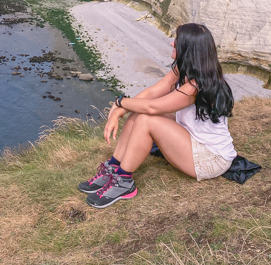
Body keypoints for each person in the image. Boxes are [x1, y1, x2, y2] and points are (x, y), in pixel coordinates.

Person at [79, 23, 236, 208]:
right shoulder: (183, 70)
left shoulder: (195, 86)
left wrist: (120, 102)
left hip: (211, 159)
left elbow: (153, 107)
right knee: (140, 112)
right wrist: (120, 110)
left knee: (146, 118)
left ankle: (124, 181)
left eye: (177, 41)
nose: (171, 43)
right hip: (192, 137)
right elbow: (152, 93)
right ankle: (114, 166)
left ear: (188, 48)